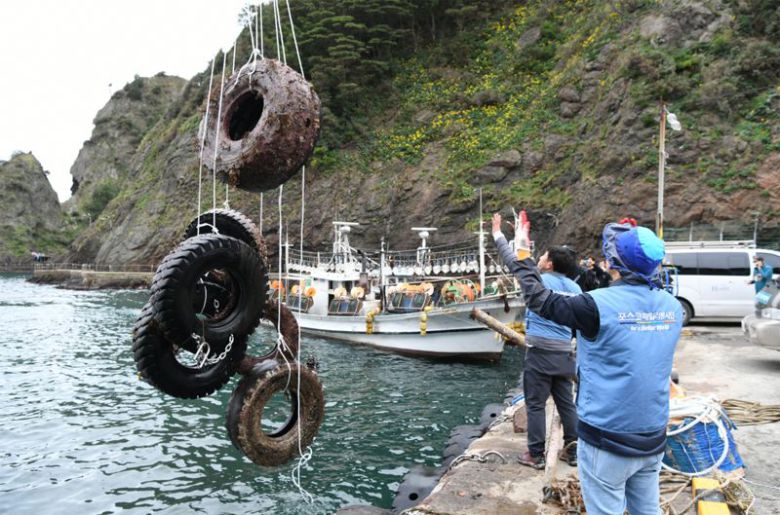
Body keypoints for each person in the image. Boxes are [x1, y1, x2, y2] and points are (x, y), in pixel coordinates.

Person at [492, 210, 683, 515]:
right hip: (652, 436)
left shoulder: (596, 306)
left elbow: (539, 299)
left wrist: (524, 255)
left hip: (608, 438)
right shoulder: (674, 309)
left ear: (613, 264)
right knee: (647, 509)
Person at [492, 236, 581, 469]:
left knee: (535, 404)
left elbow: (515, 261)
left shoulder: (538, 279)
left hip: (540, 351)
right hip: (565, 352)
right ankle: (572, 451)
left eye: (543, 256)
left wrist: (498, 236)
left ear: (549, 264)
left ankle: (535, 455)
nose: (540, 258)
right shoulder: (576, 288)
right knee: (566, 403)